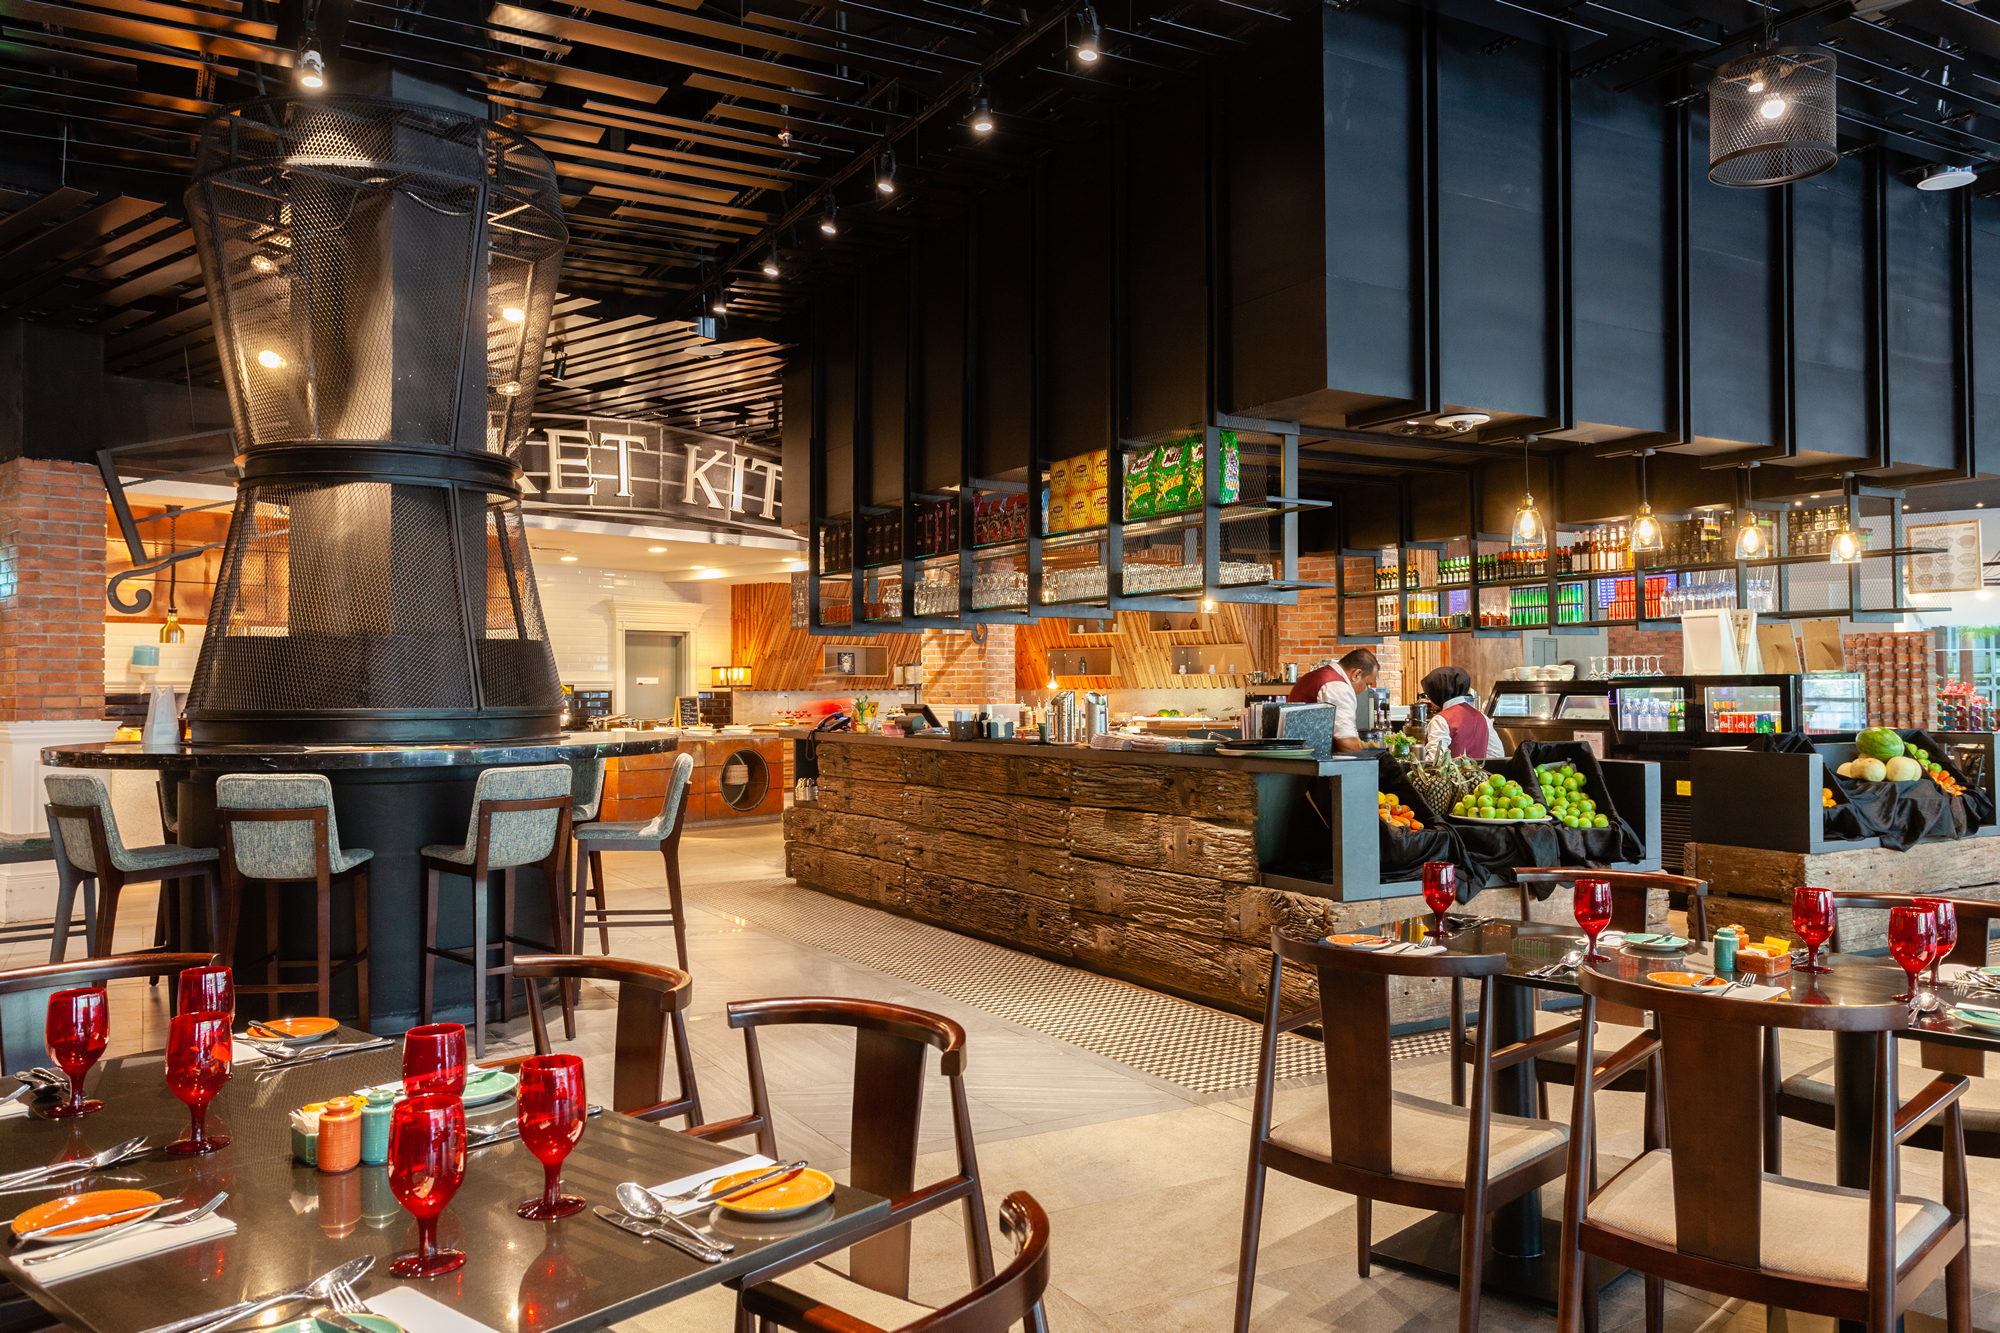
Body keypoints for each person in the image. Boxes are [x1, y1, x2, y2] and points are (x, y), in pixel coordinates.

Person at [1286, 648, 1378, 753]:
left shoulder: (1311, 676)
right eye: (1367, 684)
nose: (1365, 689)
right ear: (1356, 674)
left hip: (1294, 757)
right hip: (1315, 759)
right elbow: (1346, 742)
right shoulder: (1338, 686)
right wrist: (1369, 762)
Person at [1420, 664, 1503, 760]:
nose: (1430, 700)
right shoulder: (1483, 718)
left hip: (1450, 771)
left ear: (1437, 694)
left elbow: (1435, 760)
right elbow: (1497, 755)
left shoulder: (1441, 720)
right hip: (1478, 770)